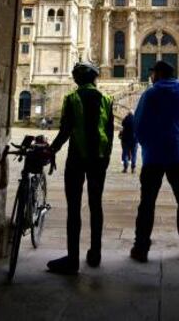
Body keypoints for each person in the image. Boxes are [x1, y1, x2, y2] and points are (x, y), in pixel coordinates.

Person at [46, 62, 114, 275]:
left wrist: (51, 150)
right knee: (96, 205)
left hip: (76, 159)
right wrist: (106, 158)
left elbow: (65, 132)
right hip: (99, 159)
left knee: (74, 208)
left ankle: (72, 259)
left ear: (77, 80)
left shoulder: (72, 99)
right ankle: (95, 254)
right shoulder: (106, 99)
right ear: (95, 78)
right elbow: (110, 133)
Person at [131, 60, 179, 263]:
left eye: (152, 74)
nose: (150, 77)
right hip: (178, 155)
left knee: (147, 204)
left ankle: (141, 248)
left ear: (157, 74)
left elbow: (137, 124)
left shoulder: (150, 94)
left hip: (153, 157)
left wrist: (146, 144)